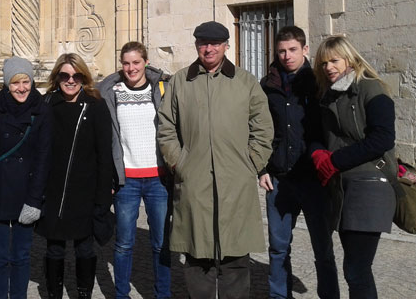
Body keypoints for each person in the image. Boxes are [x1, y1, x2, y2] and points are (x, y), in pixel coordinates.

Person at [157, 21, 274, 298]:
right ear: (197, 45)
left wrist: (251, 163)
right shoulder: (180, 81)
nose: (208, 49)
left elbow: (263, 127)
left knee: (235, 259)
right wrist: (179, 162)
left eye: (215, 44)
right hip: (194, 182)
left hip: (236, 183)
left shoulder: (245, 82)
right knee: (198, 259)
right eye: (203, 43)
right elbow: (166, 127)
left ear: (226, 46)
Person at [313, 35, 397, 299]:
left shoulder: (371, 88)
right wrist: (317, 153)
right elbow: (321, 134)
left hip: (370, 187)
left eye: (334, 60)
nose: (328, 67)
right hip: (343, 188)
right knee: (356, 268)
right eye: (324, 63)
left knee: (357, 269)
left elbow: (382, 138)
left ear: (349, 59)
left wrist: (334, 161)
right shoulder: (329, 95)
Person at [258, 26, 339, 299]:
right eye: (281, 51)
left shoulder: (319, 81)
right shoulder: (267, 85)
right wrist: (261, 168)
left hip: (315, 179)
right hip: (279, 179)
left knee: (323, 249)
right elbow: (258, 129)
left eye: (292, 50)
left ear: (305, 49)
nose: (286, 56)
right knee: (278, 248)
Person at [35, 53, 113, 299]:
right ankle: (54, 294)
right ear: (57, 77)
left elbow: (104, 153)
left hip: (85, 190)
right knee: (54, 249)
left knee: (84, 248)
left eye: (76, 75)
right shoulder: (46, 104)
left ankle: (83, 294)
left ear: (83, 77)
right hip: (54, 189)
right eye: (65, 75)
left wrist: (103, 195)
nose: (70, 80)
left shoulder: (96, 105)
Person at [99, 41, 172, 299]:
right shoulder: (112, 91)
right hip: (126, 179)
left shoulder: (161, 89)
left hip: (158, 179)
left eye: (136, 62)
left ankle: (162, 293)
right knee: (124, 244)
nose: (131, 68)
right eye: (126, 63)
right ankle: (122, 294)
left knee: (161, 243)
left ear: (145, 62)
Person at [0, 57, 53, 299]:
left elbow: (44, 158)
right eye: (15, 83)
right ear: (6, 84)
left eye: (26, 82)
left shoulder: (41, 110)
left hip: (26, 192)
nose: (21, 88)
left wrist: (34, 199)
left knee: (22, 256)